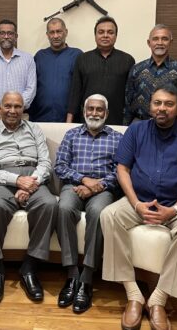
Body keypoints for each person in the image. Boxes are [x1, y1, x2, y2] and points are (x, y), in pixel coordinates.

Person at [101, 85, 177, 330]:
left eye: (168, 104)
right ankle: (133, 294)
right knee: (109, 215)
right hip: (140, 199)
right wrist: (135, 203)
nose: (162, 108)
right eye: (157, 103)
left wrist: (174, 210)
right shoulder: (136, 130)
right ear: (150, 106)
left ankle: (158, 299)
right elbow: (122, 168)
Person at [0, 91, 58, 304]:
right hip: (1, 180)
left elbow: (45, 163)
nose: (13, 111)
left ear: (24, 109)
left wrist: (31, 182)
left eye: (17, 106)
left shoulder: (35, 130)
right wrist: (16, 181)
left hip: (32, 178)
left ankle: (29, 267)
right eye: (8, 106)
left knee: (49, 204)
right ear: (0, 108)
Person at [54, 94, 122, 313]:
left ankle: (87, 278)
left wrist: (97, 185)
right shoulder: (72, 134)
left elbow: (121, 171)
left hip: (103, 189)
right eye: (90, 109)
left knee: (98, 212)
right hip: (74, 185)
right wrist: (83, 180)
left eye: (99, 110)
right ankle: (72, 274)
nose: (94, 113)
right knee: (63, 208)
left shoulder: (117, 138)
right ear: (84, 111)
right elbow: (60, 166)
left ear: (106, 113)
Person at [67, 16, 134, 125]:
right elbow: (75, 92)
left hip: (117, 121)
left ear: (116, 36)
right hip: (87, 121)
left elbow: (130, 96)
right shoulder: (83, 59)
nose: (105, 35)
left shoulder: (127, 60)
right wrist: (69, 121)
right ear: (95, 35)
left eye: (110, 32)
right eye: (101, 32)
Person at [124, 24, 177, 125]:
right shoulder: (137, 69)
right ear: (149, 43)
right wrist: (125, 127)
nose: (160, 43)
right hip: (140, 125)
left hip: (172, 126)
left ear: (171, 42)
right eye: (155, 39)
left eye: (164, 39)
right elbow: (128, 102)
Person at [0, 19, 36, 121]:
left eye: (10, 33)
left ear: (16, 37)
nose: (6, 36)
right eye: (2, 33)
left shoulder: (28, 58)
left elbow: (31, 88)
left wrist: (15, 109)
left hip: (20, 116)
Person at [28, 18, 82, 122]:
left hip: (69, 119)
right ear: (47, 34)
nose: (56, 36)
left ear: (66, 32)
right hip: (40, 118)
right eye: (52, 32)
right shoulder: (39, 56)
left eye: (59, 31)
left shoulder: (77, 55)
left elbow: (79, 88)